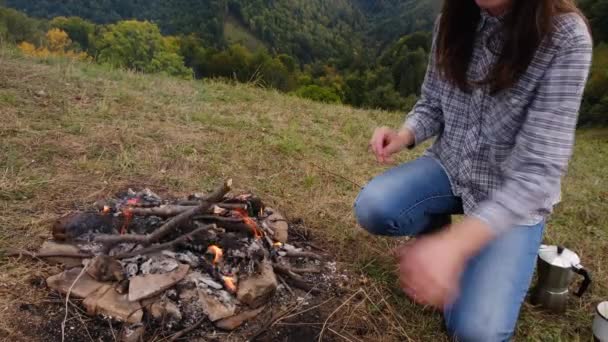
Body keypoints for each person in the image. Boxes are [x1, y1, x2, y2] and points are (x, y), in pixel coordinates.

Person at [354, 0, 593, 341]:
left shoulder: (565, 38)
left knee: (474, 332)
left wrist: (459, 246)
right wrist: (405, 134)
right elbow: (432, 103)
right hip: (450, 168)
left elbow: (538, 173)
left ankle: (472, 260)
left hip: (511, 203)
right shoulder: (453, 20)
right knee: (373, 207)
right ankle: (437, 231)